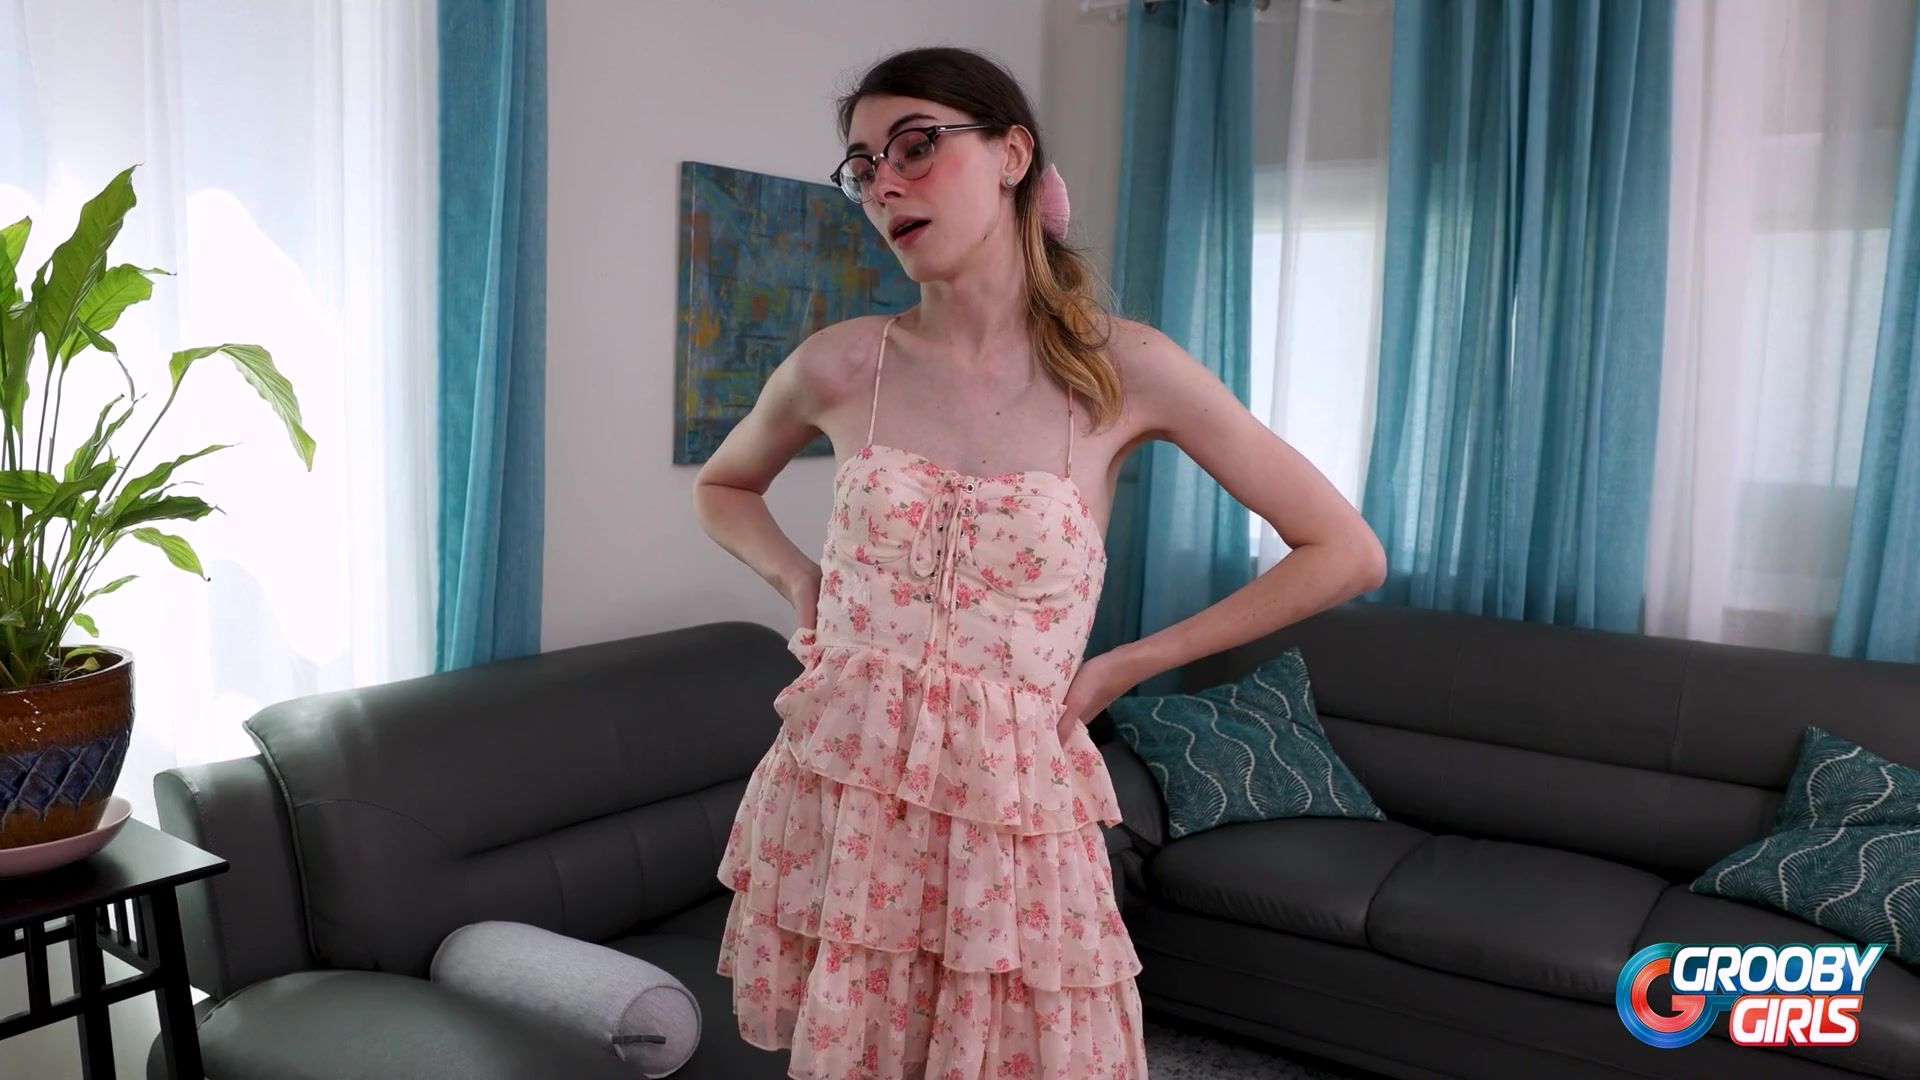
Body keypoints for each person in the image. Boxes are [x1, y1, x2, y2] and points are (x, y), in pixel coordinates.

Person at [692, 45, 1386, 1080]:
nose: (884, 185)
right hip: (846, 785)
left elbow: (1344, 552)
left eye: (915, 147)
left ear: (1013, 154)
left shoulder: (1125, 367)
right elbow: (723, 487)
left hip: (1012, 811)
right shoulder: (840, 363)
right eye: (864, 167)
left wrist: (1128, 665)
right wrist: (801, 579)